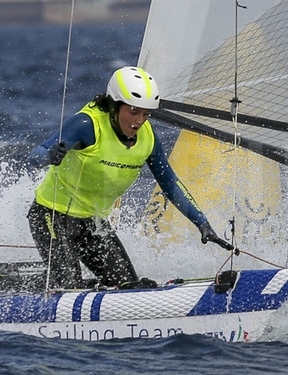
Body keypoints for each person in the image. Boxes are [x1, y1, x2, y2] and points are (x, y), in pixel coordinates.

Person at [29, 66, 233, 290]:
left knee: (129, 286)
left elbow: (170, 183)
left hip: (93, 223)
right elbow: (36, 154)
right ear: (114, 105)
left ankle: (83, 287)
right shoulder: (87, 125)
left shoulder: (148, 138)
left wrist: (202, 223)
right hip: (51, 216)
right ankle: (28, 286)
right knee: (68, 288)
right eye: (134, 111)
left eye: (146, 114)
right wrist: (48, 156)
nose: (139, 121)